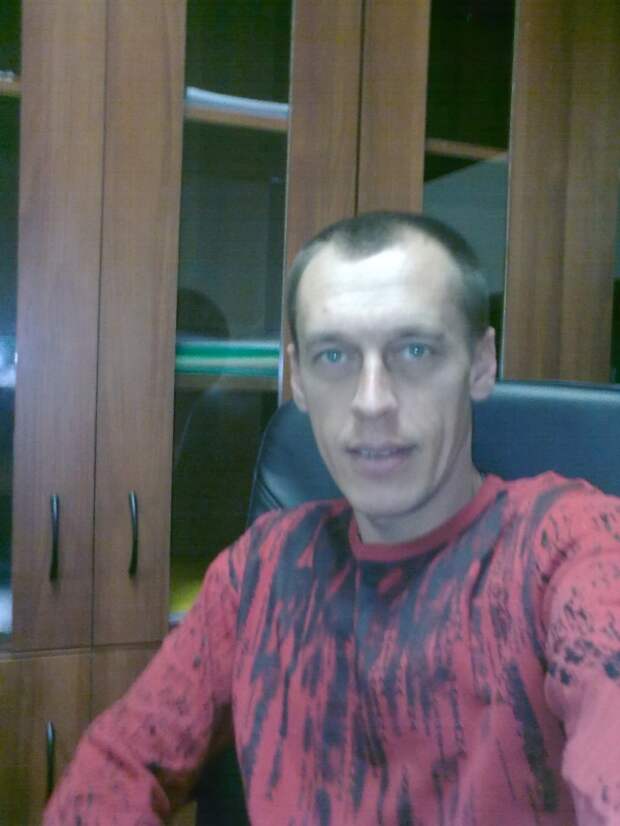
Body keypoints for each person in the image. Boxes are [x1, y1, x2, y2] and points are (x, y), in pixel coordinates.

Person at [44, 212, 620, 825]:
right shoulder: (263, 568)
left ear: (481, 364)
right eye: (335, 355)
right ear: (297, 376)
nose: (372, 401)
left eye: (415, 350)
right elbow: (122, 761)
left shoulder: (570, 543)